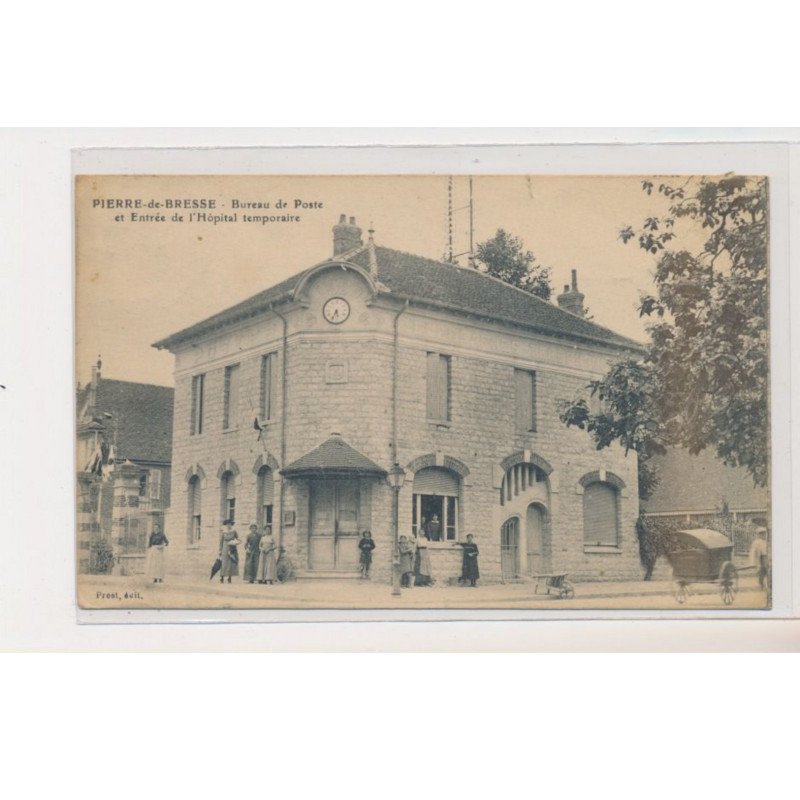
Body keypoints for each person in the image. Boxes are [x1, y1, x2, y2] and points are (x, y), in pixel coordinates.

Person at [218, 519, 241, 584]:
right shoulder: (223, 532)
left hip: (232, 548)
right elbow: (221, 541)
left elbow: (238, 539)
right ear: (226, 525)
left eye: (230, 524)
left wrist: (234, 543)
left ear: (231, 525)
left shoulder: (234, 531)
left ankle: (229, 578)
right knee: (224, 563)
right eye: (227, 524)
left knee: (231, 562)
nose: (229, 525)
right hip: (225, 548)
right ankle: (222, 577)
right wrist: (220, 550)